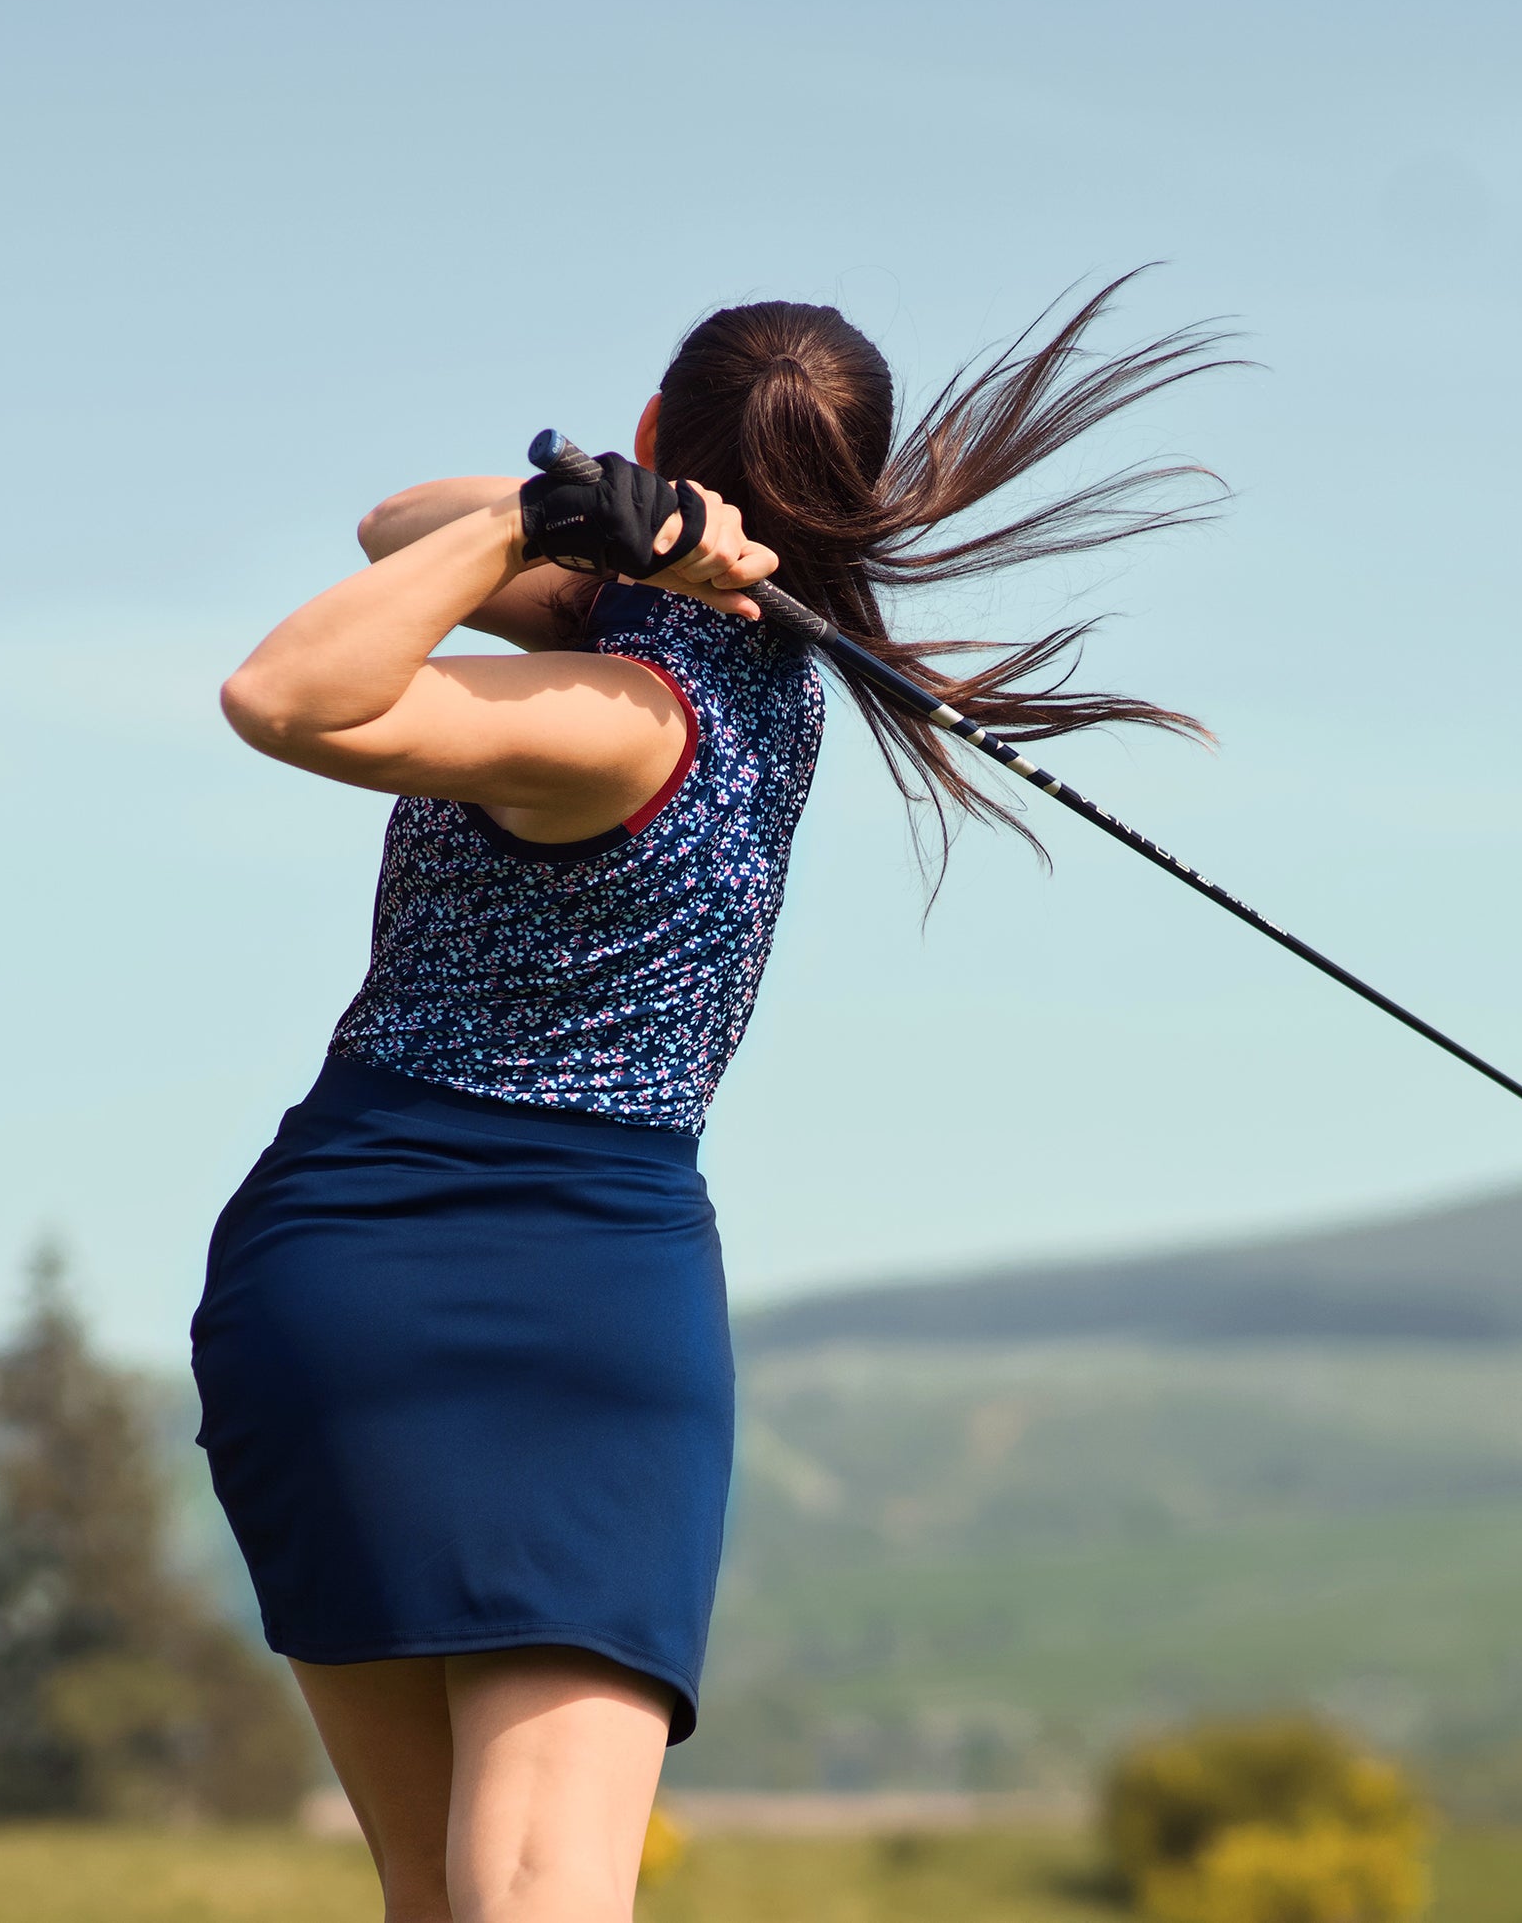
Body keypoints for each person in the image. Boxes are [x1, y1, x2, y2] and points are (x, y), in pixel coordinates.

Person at [191, 278, 1223, 1923]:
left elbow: (288, 684)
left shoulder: (626, 705)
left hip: (354, 1268)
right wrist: (588, 524)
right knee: (531, 1889)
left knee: (450, 1897)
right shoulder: (681, 651)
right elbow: (393, 526)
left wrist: (565, 514)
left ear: (665, 441)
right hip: (582, 1285)